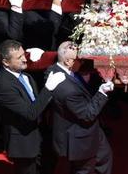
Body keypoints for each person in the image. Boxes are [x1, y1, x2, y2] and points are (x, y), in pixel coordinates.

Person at [0, 40, 66, 174]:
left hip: (39, 137)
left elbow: (37, 103)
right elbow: (30, 113)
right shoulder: (3, 85)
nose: (25, 60)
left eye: (23, 55)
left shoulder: (26, 76)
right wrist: (48, 88)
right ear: (5, 62)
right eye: (19, 57)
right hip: (22, 143)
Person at [47, 41, 114, 174]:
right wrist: (102, 92)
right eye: (78, 60)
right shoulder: (68, 90)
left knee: (105, 157)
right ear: (68, 61)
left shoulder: (53, 70)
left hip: (88, 130)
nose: (82, 63)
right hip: (80, 135)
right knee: (85, 169)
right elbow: (87, 114)